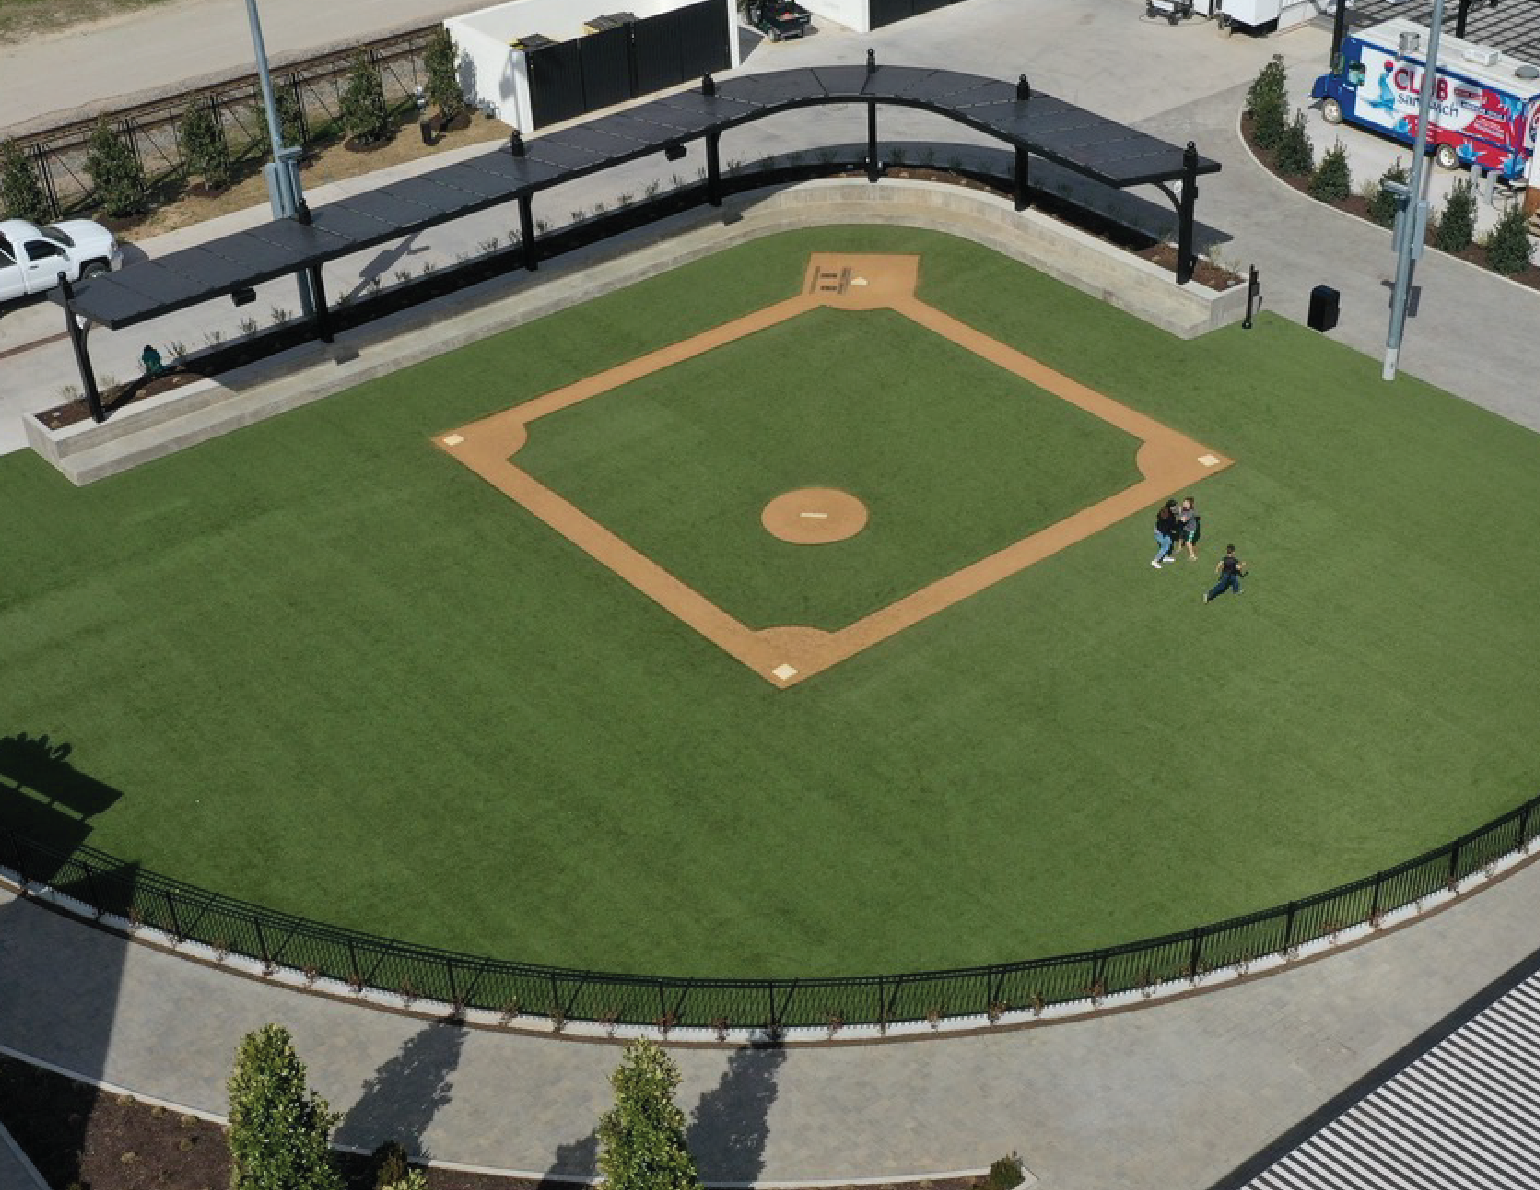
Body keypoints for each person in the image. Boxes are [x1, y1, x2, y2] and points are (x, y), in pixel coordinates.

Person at [1152, 500, 1179, 568]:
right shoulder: (1167, 516)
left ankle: (1165, 558)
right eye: (1174, 506)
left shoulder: (1165, 511)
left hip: (1163, 531)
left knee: (1169, 542)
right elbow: (1171, 527)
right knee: (1165, 547)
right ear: (1170, 507)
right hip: (1160, 533)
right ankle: (1155, 561)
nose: (1176, 507)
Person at [1176, 496, 1201, 561]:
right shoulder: (1183, 508)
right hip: (1184, 527)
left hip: (1190, 529)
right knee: (1180, 537)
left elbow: (1183, 520)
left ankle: (1192, 556)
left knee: (1188, 542)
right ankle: (1179, 548)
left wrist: (1179, 512)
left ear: (1190, 505)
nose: (1184, 503)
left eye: (1186, 503)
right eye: (1184, 501)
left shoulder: (1190, 512)